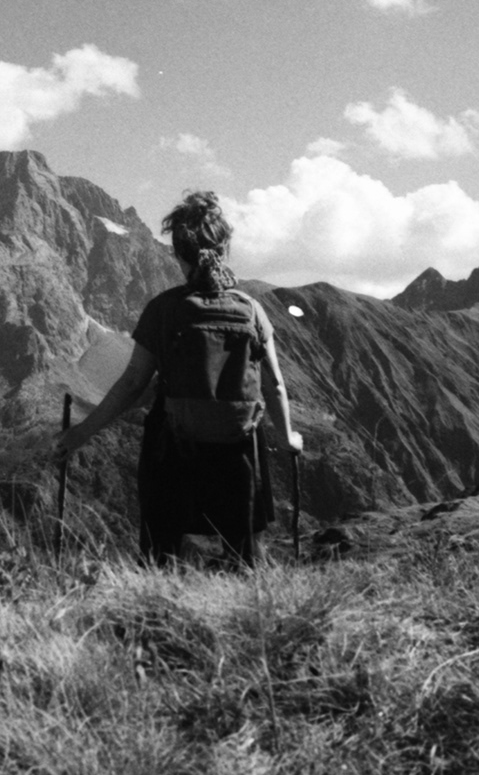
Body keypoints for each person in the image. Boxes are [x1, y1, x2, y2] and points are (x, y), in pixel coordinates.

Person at [56, 190, 301, 565]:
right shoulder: (251, 310)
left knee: (161, 554)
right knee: (244, 556)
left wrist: (80, 433)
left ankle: (157, 616)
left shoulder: (164, 310)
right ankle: (249, 619)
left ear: (177, 253)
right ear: (225, 249)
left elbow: (133, 383)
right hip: (238, 452)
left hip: (172, 450)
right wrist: (288, 438)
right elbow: (274, 385)